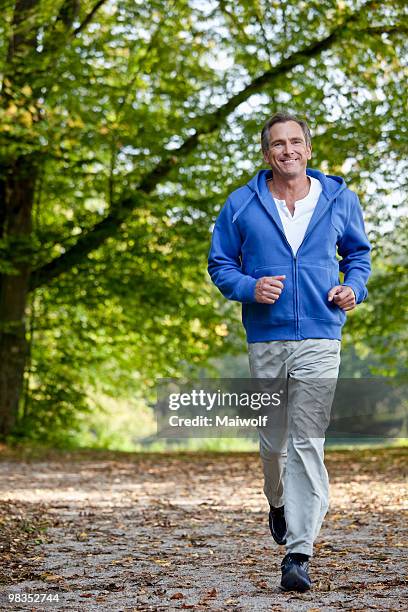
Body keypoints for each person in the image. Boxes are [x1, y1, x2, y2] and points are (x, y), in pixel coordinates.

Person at [207, 112, 371, 592]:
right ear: (267, 154)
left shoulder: (339, 199)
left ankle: (299, 551)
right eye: (278, 144)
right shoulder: (241, 204)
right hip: (267, 337)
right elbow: (220, 264)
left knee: (306, 440)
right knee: (274, 443)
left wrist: (352, 289)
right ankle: (277, 501)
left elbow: (357, 256)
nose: (288, 150)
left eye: (295, 141)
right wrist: (249, 286)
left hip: (322, 335)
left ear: (308, 148)